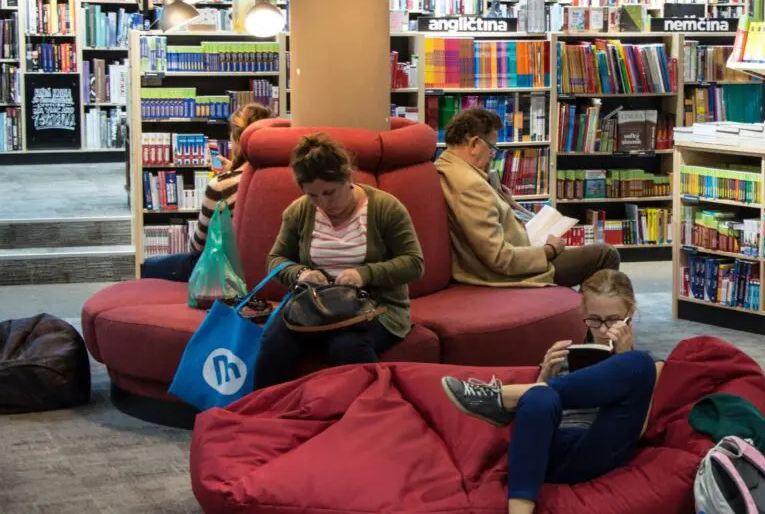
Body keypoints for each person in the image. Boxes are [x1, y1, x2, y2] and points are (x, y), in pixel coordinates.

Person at [440, 270, 657, 514]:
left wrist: (621, 357)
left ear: (630, 313)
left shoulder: (644, 365)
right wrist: (544, 377)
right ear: (582, 315)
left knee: (639, 364)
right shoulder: (568, 357)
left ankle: (502, 397)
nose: (603, 329)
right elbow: (536, 425)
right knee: (540, 398)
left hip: (600, 446)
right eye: (593, 320)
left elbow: (638, 432)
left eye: (613, 320)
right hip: (552, 454)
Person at [253, 133, 425, 388]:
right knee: (273, 343)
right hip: (312, 305)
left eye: (330, 193)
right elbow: (275, 259)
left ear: (347, 178)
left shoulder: (386, 208)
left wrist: (364, 275)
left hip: (373, 307)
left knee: (348, 346)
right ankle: (263, 415)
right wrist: (300, 274)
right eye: (313, 195)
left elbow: (414, 263)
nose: (323, 203)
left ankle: (370, 417)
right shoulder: (299, 211)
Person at [435, 107, 620, 287]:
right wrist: (549, 250)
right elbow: (499, 258)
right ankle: (597, 315)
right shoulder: (471, 186)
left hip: (521, 254)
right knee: (606, 254)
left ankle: (588, 313)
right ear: (475, 144)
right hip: (512, 273)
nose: (492, 156)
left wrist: (512, 205)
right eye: (492, 148)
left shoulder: (448, 166)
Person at [140, 103, 275, 281]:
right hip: (269, 268)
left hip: (228, 270)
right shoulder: (281, 177)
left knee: (151, 265)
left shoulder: (222, 185)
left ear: (236, 138)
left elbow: (197, 246)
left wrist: (226, 178)